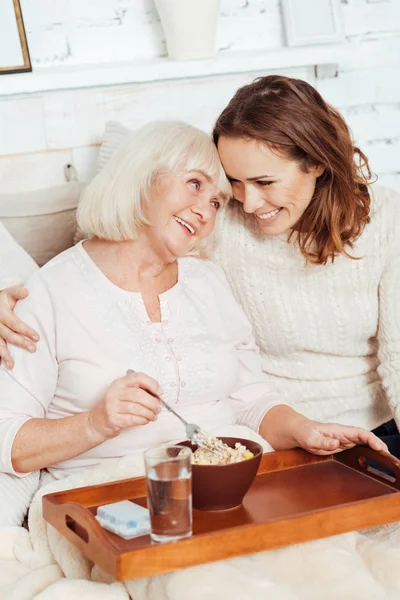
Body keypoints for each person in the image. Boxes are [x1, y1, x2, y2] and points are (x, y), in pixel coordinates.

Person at [0, 120, 385, 484]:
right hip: (115, 492)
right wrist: (95, 423)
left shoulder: (208, 280)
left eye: (217, 202)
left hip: (229, 482)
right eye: (194, 184)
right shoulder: (47, 293)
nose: (205, 211)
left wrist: (307, 429)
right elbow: (9, 440)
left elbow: (251, 401)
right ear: (142, 178)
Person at [212, 75, 400, 454]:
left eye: (265, 182)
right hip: (268, 434)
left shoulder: (386, 218)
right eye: (235, 181)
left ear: (315, 161)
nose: (248, 203)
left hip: (373, 433)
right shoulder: (219, 224)